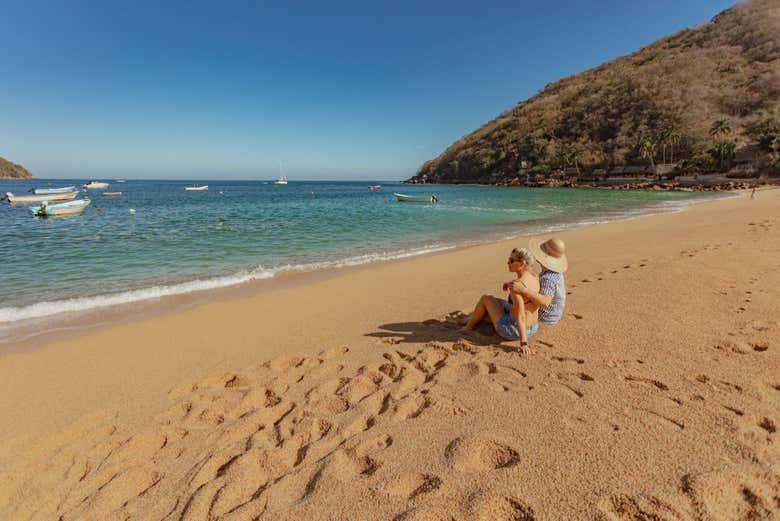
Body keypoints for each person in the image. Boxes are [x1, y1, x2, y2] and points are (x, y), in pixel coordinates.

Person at [462, 247, 540, 354]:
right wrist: (509, 284)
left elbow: (520, 316)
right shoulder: (534, 277)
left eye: (511, 261)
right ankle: (474, 318)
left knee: (485, 298)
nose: (508, 263)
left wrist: (524, 343)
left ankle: (468, 327)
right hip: (533, 327)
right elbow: (527, 300)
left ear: (522, 263)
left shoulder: (516, 286)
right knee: (495, 301)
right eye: (509, 259)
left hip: (513, 330)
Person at [514, 237, 568, 327]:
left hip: (544, 319)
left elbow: (545, 302)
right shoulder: (556, 272)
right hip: (554, 316)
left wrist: (523, 290)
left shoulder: (548, 278)